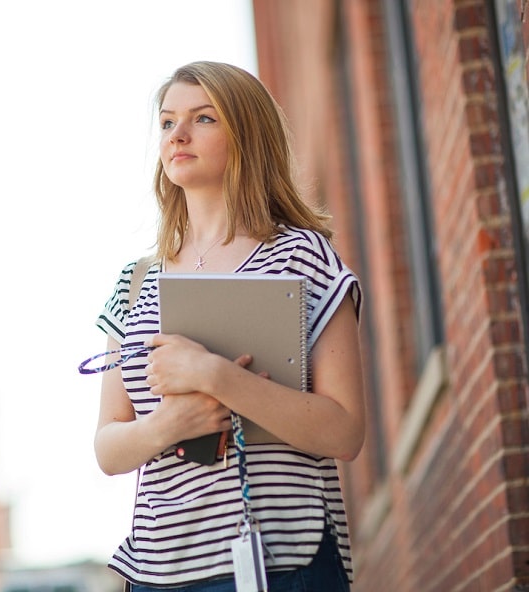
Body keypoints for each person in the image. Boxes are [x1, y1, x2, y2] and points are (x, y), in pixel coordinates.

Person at [93, 61, 365, 591]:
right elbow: (108, 447)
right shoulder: (136, 280)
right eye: (168, 122)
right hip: (158, 571)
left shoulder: (301, 256)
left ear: (246, 136)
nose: (179, 135)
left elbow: (345, 431)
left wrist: (217, 378)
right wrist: (166, 427)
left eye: (204, 118)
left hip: (282, 560)